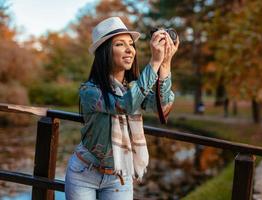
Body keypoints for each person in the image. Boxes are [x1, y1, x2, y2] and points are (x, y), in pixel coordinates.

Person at [65, 17, 179, 200]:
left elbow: (162, 106)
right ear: (105, 53)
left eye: (131, 44)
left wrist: (165, 64)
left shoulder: (134, 86)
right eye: (120, 44)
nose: (129, 50)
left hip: (120, 176)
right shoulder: (90, 91)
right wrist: (154, 64)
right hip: (84, 173)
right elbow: (125, 105)